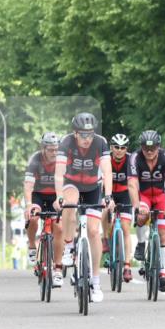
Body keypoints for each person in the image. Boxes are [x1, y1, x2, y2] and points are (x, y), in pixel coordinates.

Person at [53, 113, 113, 303]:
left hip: (93, 187)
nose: (87, 139)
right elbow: (59, 172)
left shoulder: (101, 142)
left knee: (94, 231)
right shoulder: (66, 143)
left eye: (90, 134)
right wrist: (58, 197)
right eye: (83, 135)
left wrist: (109, 196)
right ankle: (69, 246)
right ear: (75, 133)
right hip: (71, 184)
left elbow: (107, 171)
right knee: (70, 205)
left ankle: (95, 281)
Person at [128, 130, 165, 291]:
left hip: (160, 195)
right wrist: (136, 206)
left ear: (159, 147)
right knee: (142, 216)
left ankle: (163, 273)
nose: (149, 152)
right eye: (145, 148)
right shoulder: (135, 158)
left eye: (153, 148)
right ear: (141, 147)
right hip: (144, 196)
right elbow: (132, 184)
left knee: (163, 234)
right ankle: (142, 244)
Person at [23, 132, 64, 287]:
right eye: (50, 150)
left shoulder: (62, 161)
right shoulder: (35, 160)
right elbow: (28, 185)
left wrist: (62, 200)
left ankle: (58, 268)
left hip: (55, 195)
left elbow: (68, 184)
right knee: (33, 216)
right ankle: (32, 245)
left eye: (56, 150)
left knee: (59, 227)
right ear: (43, 149)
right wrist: (28, 205)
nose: (54, 153)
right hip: (38, 195)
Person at [103, 133, 134, 284]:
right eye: (116, 147)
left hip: (125, 194)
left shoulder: (131, 160)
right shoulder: (105, 159)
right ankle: (105, 239)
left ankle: (127, 265)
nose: (119, 150)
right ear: (111, 147)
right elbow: (99, 179)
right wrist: (106, 198)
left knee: (126, 228)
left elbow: (136, 181)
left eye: (123, 147)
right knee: (104, 210)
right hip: (109, 193)